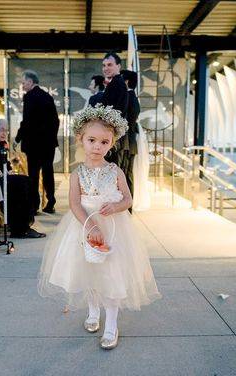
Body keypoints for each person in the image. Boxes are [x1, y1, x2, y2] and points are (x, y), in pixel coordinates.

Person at [38, 104, 160, 350]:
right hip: (84, 227)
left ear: (111, 144)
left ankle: (112, 324)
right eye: (92, 140)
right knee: (89, 272)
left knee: (111, 275)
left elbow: (128, 200)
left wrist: (115, 208)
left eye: (104, 142)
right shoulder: (76, 174)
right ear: (80, 139)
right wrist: (90, 225)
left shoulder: (115, 171)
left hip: (113, 230)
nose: (97, 146)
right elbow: (74, 204)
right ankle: (93, 312)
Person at [0, 115, 44, 238]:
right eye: (1, 130)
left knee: (25, 180)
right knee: (19, 184)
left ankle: (24, 222)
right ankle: (20, 228)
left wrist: (5, 171)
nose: (4, 133)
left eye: (6, 130)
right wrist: (0, 172)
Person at [15, 70, 59, 214]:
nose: (22, 85)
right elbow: (55, 121)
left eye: (23, 82)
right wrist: (51, 137)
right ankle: (50, 201)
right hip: (48, 144)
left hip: (34, 143)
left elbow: (27, 121)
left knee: (33, 175)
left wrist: (18, 138)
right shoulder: (47, 96)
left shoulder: (29, 97)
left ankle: (34, 205)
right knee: (48, 172)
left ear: (30, 82)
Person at [92, 52, 128, 164]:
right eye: (104, 65)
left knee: (110, 174)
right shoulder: (116, 83)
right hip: (112, 137)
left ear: (118, 66)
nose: (106, 68)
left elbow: (111, 111)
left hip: (112, 138)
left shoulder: (117, 84)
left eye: (109, 65)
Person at [119, 69, 140, 199]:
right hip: (129, 142)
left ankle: (127, 206)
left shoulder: (129, 97)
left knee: (125, 174)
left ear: (126, 81)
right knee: (126, 174)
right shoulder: (131, 97)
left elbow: (128, 122)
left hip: (127, 143)